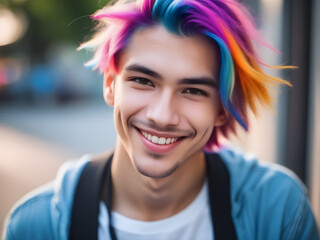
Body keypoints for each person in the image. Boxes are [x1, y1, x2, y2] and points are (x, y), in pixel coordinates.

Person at [3, 0, 319, 239]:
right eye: (143, 81)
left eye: (193, 90)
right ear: (110, 84)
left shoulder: (276, 211)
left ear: (222, 108)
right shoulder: (37, 225)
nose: (162, 116)